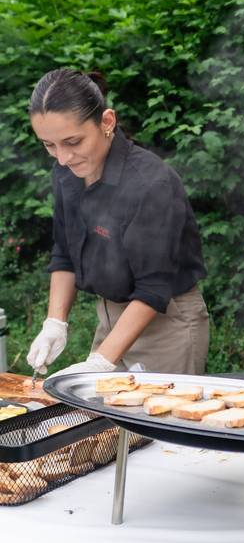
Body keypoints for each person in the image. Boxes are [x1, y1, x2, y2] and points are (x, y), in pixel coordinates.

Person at [26, 68, 209, 378]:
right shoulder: (66, 174)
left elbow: (153, 288)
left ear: (106, 122)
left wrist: (101, 362)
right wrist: (54, 323)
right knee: (100, 425)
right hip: (111, 320)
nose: (63, 158)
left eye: (73, 141)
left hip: (167, 325)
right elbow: (65, 254)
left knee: (153, 425)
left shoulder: (152, 183)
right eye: (49, 145)